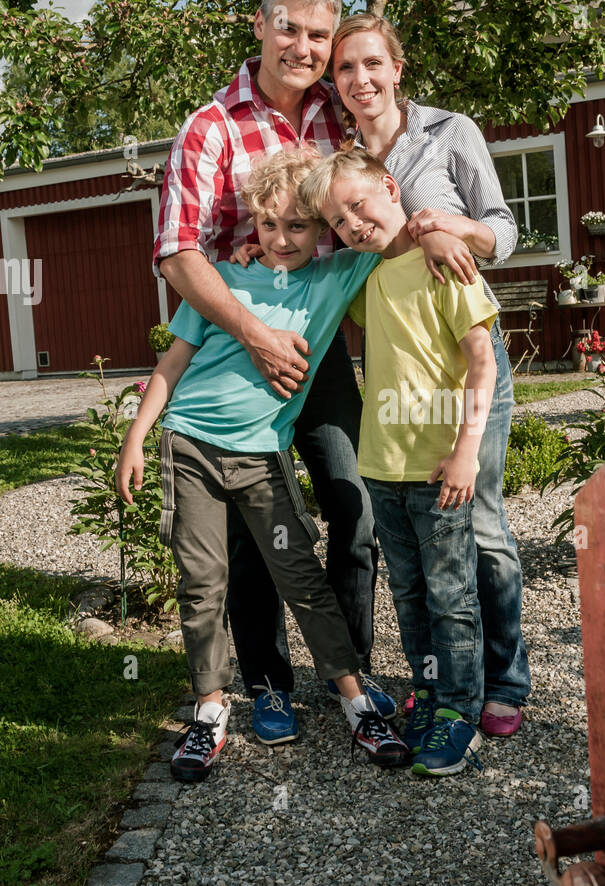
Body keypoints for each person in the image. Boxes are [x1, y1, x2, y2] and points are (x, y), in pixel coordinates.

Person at [118, 148, 411, 778]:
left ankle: (356, 701)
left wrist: (450, 233)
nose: (280, 240)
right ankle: (209, 712)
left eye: (298, 226)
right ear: (253, 224)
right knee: (202, 584)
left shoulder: (334, 279)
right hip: (190, 447)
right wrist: (136, 437)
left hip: (260, 457)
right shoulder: (218, 281)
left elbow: (389, 229)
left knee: (300, 575)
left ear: (322, 230)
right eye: (268, 226)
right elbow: (171, 366)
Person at [328, 13, 531, 737]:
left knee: (480, 522)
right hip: (400, 368)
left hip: (468, 354)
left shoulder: (450, 132)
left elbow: (503, 230)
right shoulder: (339, 158)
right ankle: (446, 676)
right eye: (346, 69)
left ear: (397, 67)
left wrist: (451, 229)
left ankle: (504, 678)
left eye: (372, 64)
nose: (360, 80)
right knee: (422, 549)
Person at [298, 143, 498, 778]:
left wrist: (468, 450)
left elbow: (482, 360)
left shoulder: (447, 265)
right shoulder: (366, 276)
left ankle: (460, 712)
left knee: (451, 595)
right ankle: (431, 691)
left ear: (390, 185)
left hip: (440, 469)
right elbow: (309, 278)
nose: (354, 224)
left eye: (358, 205)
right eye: (338, 221)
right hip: (382, 469)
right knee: (409, 595)